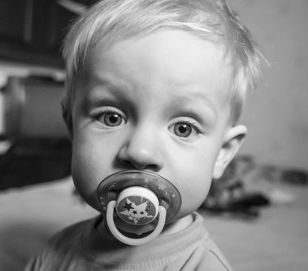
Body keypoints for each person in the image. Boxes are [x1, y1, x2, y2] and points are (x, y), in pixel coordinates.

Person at [25, 0, 262, 270]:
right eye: (111, 117)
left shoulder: (201, 265)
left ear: (222, 153)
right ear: (71, 126)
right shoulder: (55, 252)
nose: (140, 152)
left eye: (183, 128)